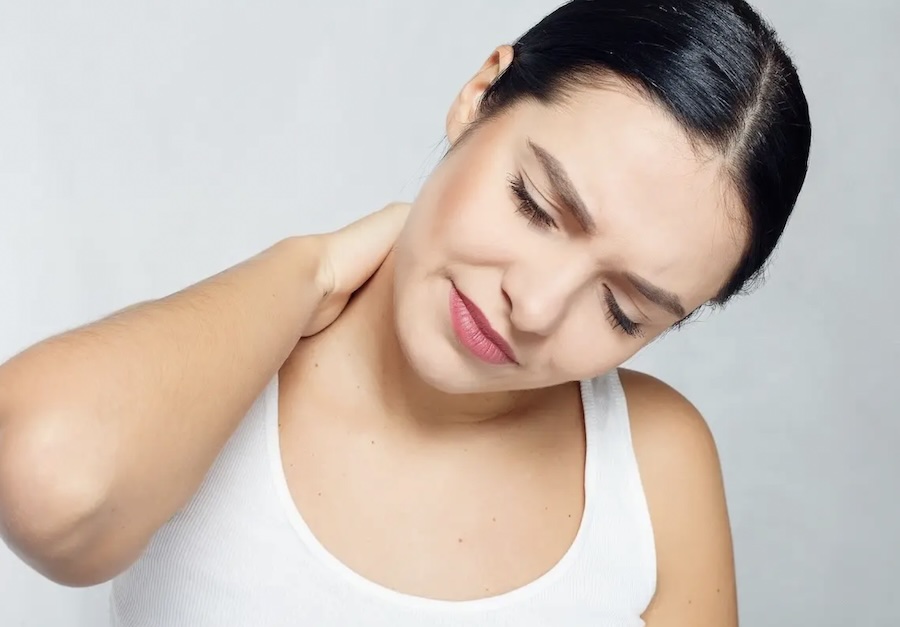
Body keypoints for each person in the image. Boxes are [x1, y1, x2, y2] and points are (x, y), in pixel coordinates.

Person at [0, 0, 811, 625]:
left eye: (621, 309)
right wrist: (309, 270)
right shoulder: (214, 374)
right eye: (535, 205)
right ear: (480, 93)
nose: (532, 306)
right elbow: (44, 481)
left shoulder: (653, 465)